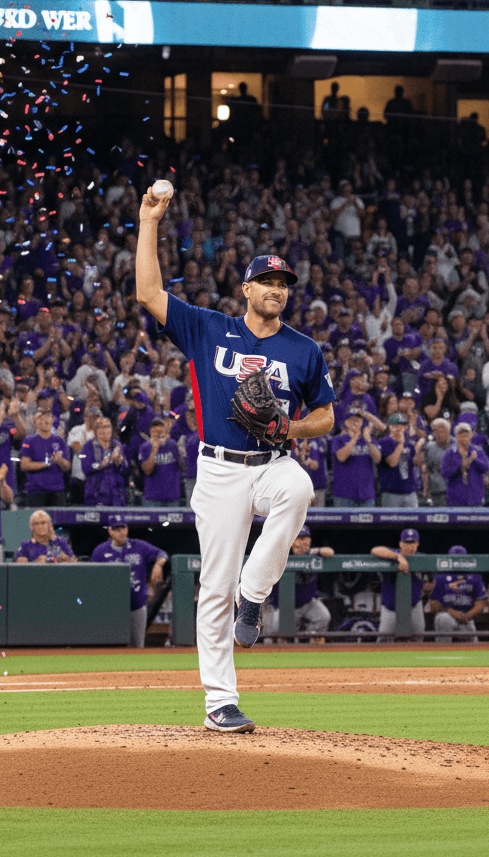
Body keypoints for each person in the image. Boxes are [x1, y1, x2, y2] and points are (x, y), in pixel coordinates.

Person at [138, 187, 336, 736]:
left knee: (298, 490)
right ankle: (220, 702)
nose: (276, 290)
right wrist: (149, 221)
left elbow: (326, 416)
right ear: (246, 288)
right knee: (215, 585)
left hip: (272, 460)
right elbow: (148, 291)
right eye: (267, 282)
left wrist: (290, 427)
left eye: (283, 285)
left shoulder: (303, 349)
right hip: (220, 468)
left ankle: (257, 593)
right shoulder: (208, 327)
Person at [90, 515, 168, 647]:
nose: (121, 532)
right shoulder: (100, 551)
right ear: (110, 531)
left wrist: (158, 565)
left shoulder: (139, 546)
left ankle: (135, 669)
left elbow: (162, 554)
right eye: (116, 529)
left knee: (137, 645)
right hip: (111, 607)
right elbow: (92, 577)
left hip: (136, 604)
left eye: (123, 528)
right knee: (111, 646)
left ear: (127, 529)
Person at [262, 525, 335, 640]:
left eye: (306, 538)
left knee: (323, 617)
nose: (303, 542)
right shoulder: (282, 554)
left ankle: (306, 643)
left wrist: (318, 550)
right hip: (285, 606)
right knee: (274, 633)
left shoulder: (312, 554)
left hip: (307, 603)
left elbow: (330, 552)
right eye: (299, 538)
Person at [371, 528, 426, 639]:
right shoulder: (392, 554)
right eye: (406, 543)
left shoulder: (422, 558)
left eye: (412, 543)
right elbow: (375, 550)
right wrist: (398, 557)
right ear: (400, 544)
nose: (409, 546)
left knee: (418, 640)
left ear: (417, 544)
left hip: (414, 608)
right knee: (383, 641)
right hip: (391, 609)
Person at [429, 545, 486, 641]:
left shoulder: (474, 577)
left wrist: (467, 615)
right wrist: (451, 612)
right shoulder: (440, 577)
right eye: (454, 558)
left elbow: (481, 603)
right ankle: (443, 651)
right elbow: (433, 605)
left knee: (474, 649)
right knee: (443, 618)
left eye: (460, 558)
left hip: (466, 617)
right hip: (447, 615)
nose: (457, 561)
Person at [19, 408, 71, 507]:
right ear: (34, 422)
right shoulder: (28, 441)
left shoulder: (60, 441)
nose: (44, 420)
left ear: (52, 420)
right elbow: (24, 465)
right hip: (36, 490)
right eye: (40, 417)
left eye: (47, 417)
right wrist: (46, 464)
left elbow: (67, 467)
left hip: (57, 490)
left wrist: (60, 461)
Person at [331, 408, 379, 506]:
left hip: (366, 493)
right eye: (352, 420)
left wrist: (368, 441)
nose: (355, 423)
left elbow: (377, 459)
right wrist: (354, 439)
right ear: (346, 422)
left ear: (362, 422)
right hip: (344, 494)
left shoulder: (369, 439)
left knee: (368, 521)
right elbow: (341, 457)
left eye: (358, 420)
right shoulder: (338, 439)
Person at [377, 411, 424, 506]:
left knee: (414, 519)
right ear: (389, 426)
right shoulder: (384, 442)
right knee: (391, 520)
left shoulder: (409, 443)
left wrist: (418, 450)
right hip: (391, 492)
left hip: (410, 491)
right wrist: (400, 444)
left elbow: (418, 463)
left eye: (401, 425)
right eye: (395, 425)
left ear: (406, 427)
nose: (398, 427)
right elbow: (392, 463)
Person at [79, 416, 129, 506]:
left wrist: (119, 463)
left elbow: (126, 468)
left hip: (116, 495)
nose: (104, 430)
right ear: (95, 430)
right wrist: (106, 463)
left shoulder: (117, 445)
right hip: (95, 494)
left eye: (107, 426)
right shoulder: (88, 446)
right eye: (101, 427)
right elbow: (86, 468)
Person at [441, 421, 489, 506]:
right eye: (461, 434)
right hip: (456, 499)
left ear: (471, 435)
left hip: (475, 498)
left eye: (466, 434)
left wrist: (475, 460)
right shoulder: (449, 453)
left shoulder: (478, 450)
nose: (464, 437)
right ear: (456, 436)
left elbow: (486, 467)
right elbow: (445, 473)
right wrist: (460, 467)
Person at [138, 417, 183, 505]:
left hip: (172, 497)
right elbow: (147, 470)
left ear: (165, 432)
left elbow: (183, 466)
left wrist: (182, 453)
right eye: (156, 432)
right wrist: (154, 449)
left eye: (161, 432)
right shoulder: (145, 447)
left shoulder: (172, 445)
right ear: (151, 432)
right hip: (152, 498)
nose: (158, 435)